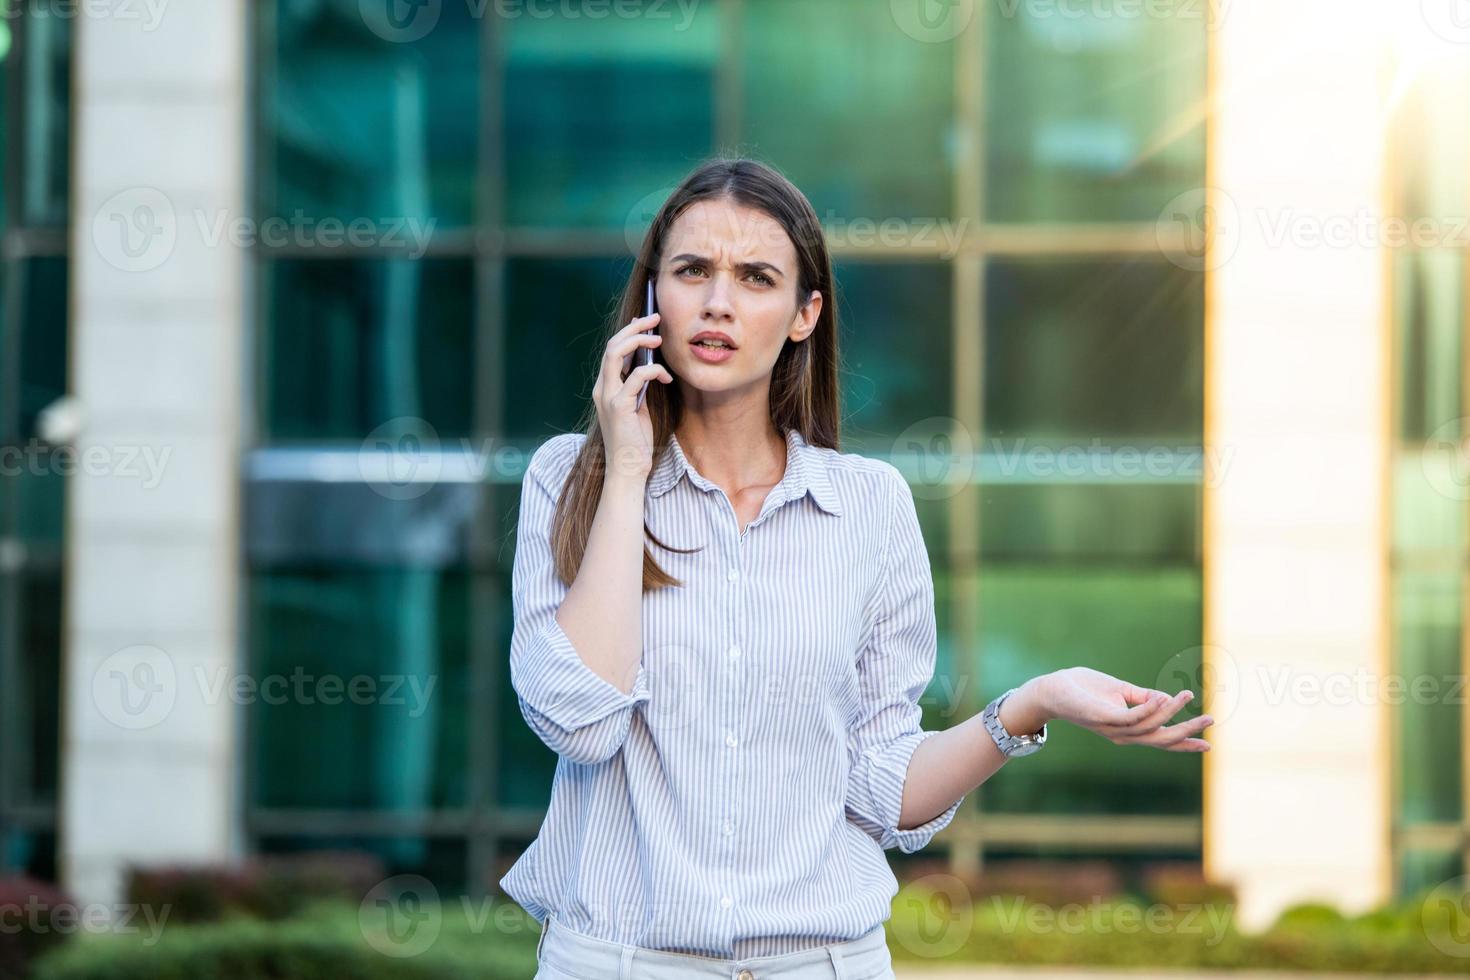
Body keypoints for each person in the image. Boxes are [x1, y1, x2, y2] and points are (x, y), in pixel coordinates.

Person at [500, 157, 1215, 980]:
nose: (719, 302)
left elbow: (883, 790)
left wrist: (1032, 702)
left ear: (805, 315)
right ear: (654, 295)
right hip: (619, 963)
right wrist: (627, 470)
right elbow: (578, 723)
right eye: (692, 270)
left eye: (756, 277)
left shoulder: (868, 506)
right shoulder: (572, 478)